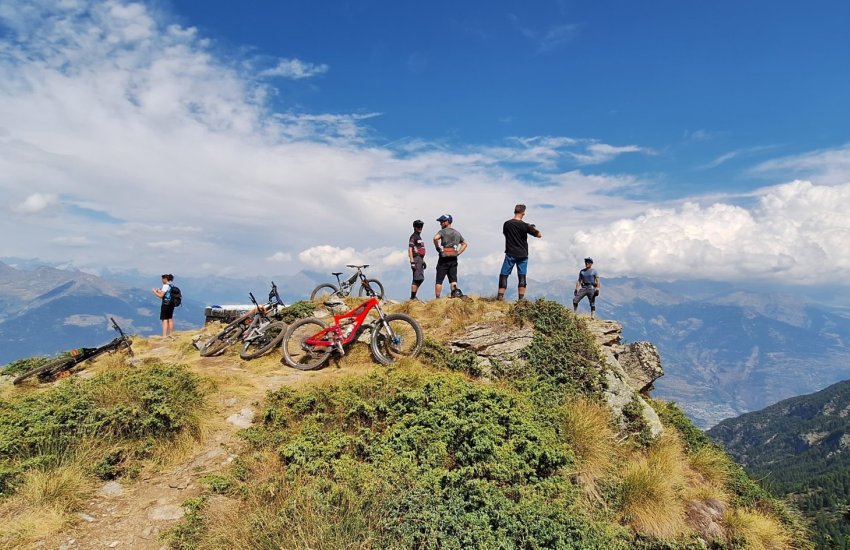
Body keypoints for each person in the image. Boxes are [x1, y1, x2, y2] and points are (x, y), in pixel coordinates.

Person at [497, 204, 542, 301]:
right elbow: (539, 235)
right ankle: (521, 300)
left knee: (504, 275)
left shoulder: (507, 224)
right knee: (522, 276)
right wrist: (532, 228)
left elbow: (505, 234)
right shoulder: (525, 226)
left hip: (510, 253)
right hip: (523, 255)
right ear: (523, 213)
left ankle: (500, 297)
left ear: (515, 211)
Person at [432, 214, 468, 298]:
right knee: (453, 279)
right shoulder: (457, 233)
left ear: (447, 222)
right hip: (453, 258)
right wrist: (458, 253)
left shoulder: (442, 231)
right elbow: (465, 244)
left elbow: (435, 238)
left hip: (443, 258)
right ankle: (455, 296)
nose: (440, 223)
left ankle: (437, 299)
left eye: (442, 221)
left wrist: (437, 247)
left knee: (439, 280)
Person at [408, 219, 427, 300]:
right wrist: (412, 261)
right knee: (417, 279)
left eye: (421, 226)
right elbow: (410, 249)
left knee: (420, 278)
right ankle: (412, 297)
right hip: (416, 259)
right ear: (415, 227)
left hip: (420, 259)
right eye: (418, 226)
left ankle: (413, 296)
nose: (420, 228)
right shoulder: (413, 237)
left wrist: (423, 261)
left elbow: (419, 249)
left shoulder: (419, 236)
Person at [152, 273, 175, 338]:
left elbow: (161, 296)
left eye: (162, 279)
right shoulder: (171, 285)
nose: (162, 280)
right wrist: (159, 291)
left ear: (165, 279)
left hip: (165, 304)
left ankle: (164, 335)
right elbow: (166, 293)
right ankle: (171, 334)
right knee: (170, 319)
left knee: (164, 319)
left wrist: (154, 292)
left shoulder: (165, 286)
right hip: (171, 303)